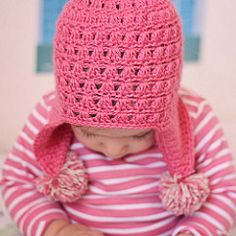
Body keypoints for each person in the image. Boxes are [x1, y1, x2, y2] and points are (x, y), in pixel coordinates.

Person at [1, 0, 236, 235]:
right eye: (89, 133)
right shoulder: (49, 115)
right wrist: (56, 228)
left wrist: (194, 231)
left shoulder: (196, 116)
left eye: (139, 135)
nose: (114, 151)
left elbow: (225, 190)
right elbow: (17, 181)